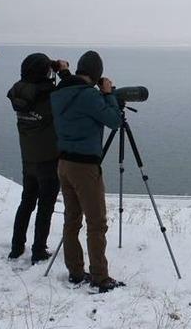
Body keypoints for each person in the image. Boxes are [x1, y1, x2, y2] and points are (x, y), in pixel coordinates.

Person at [50, 50, 124, 293]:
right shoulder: (90, 96)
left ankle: (75, 271)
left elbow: (70, 83)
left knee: (71, 220)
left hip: (63, 164)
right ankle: (100, 277)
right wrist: (109, 95)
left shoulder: (59, 93)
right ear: (96, 74)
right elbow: (114, 120)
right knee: (96, 222)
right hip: (85, 167)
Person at [6, 53, 70, 264]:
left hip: (28, 156)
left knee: (27, 201)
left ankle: (16, 247)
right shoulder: (49, 94)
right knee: (45, 206)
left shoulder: (19, 92)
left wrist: (50, 69)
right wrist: (61, 70)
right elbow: (69, 91)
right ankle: (39, 250)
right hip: (49, 158)